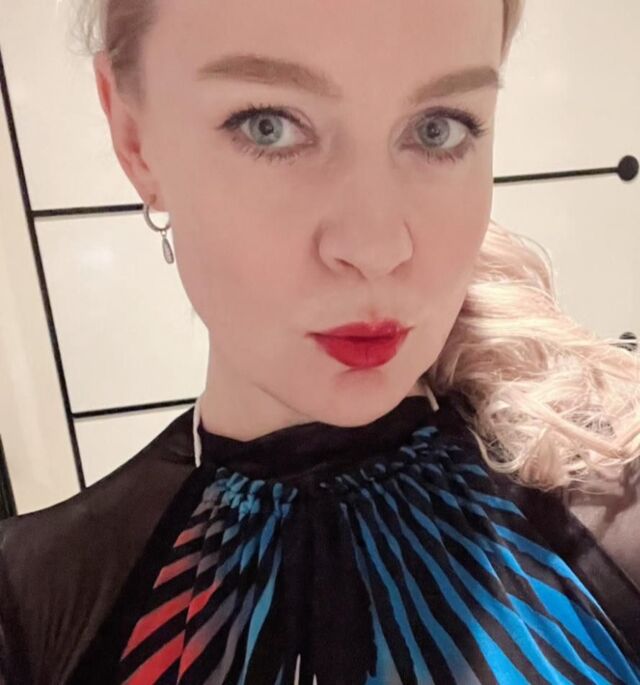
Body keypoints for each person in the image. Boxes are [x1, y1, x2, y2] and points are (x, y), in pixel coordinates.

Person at [1, 0, 640, 682]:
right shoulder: (33, 610)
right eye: (268, 125)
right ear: (135, 139)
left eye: (437, 128)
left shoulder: (616, 504)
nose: (376, 248)